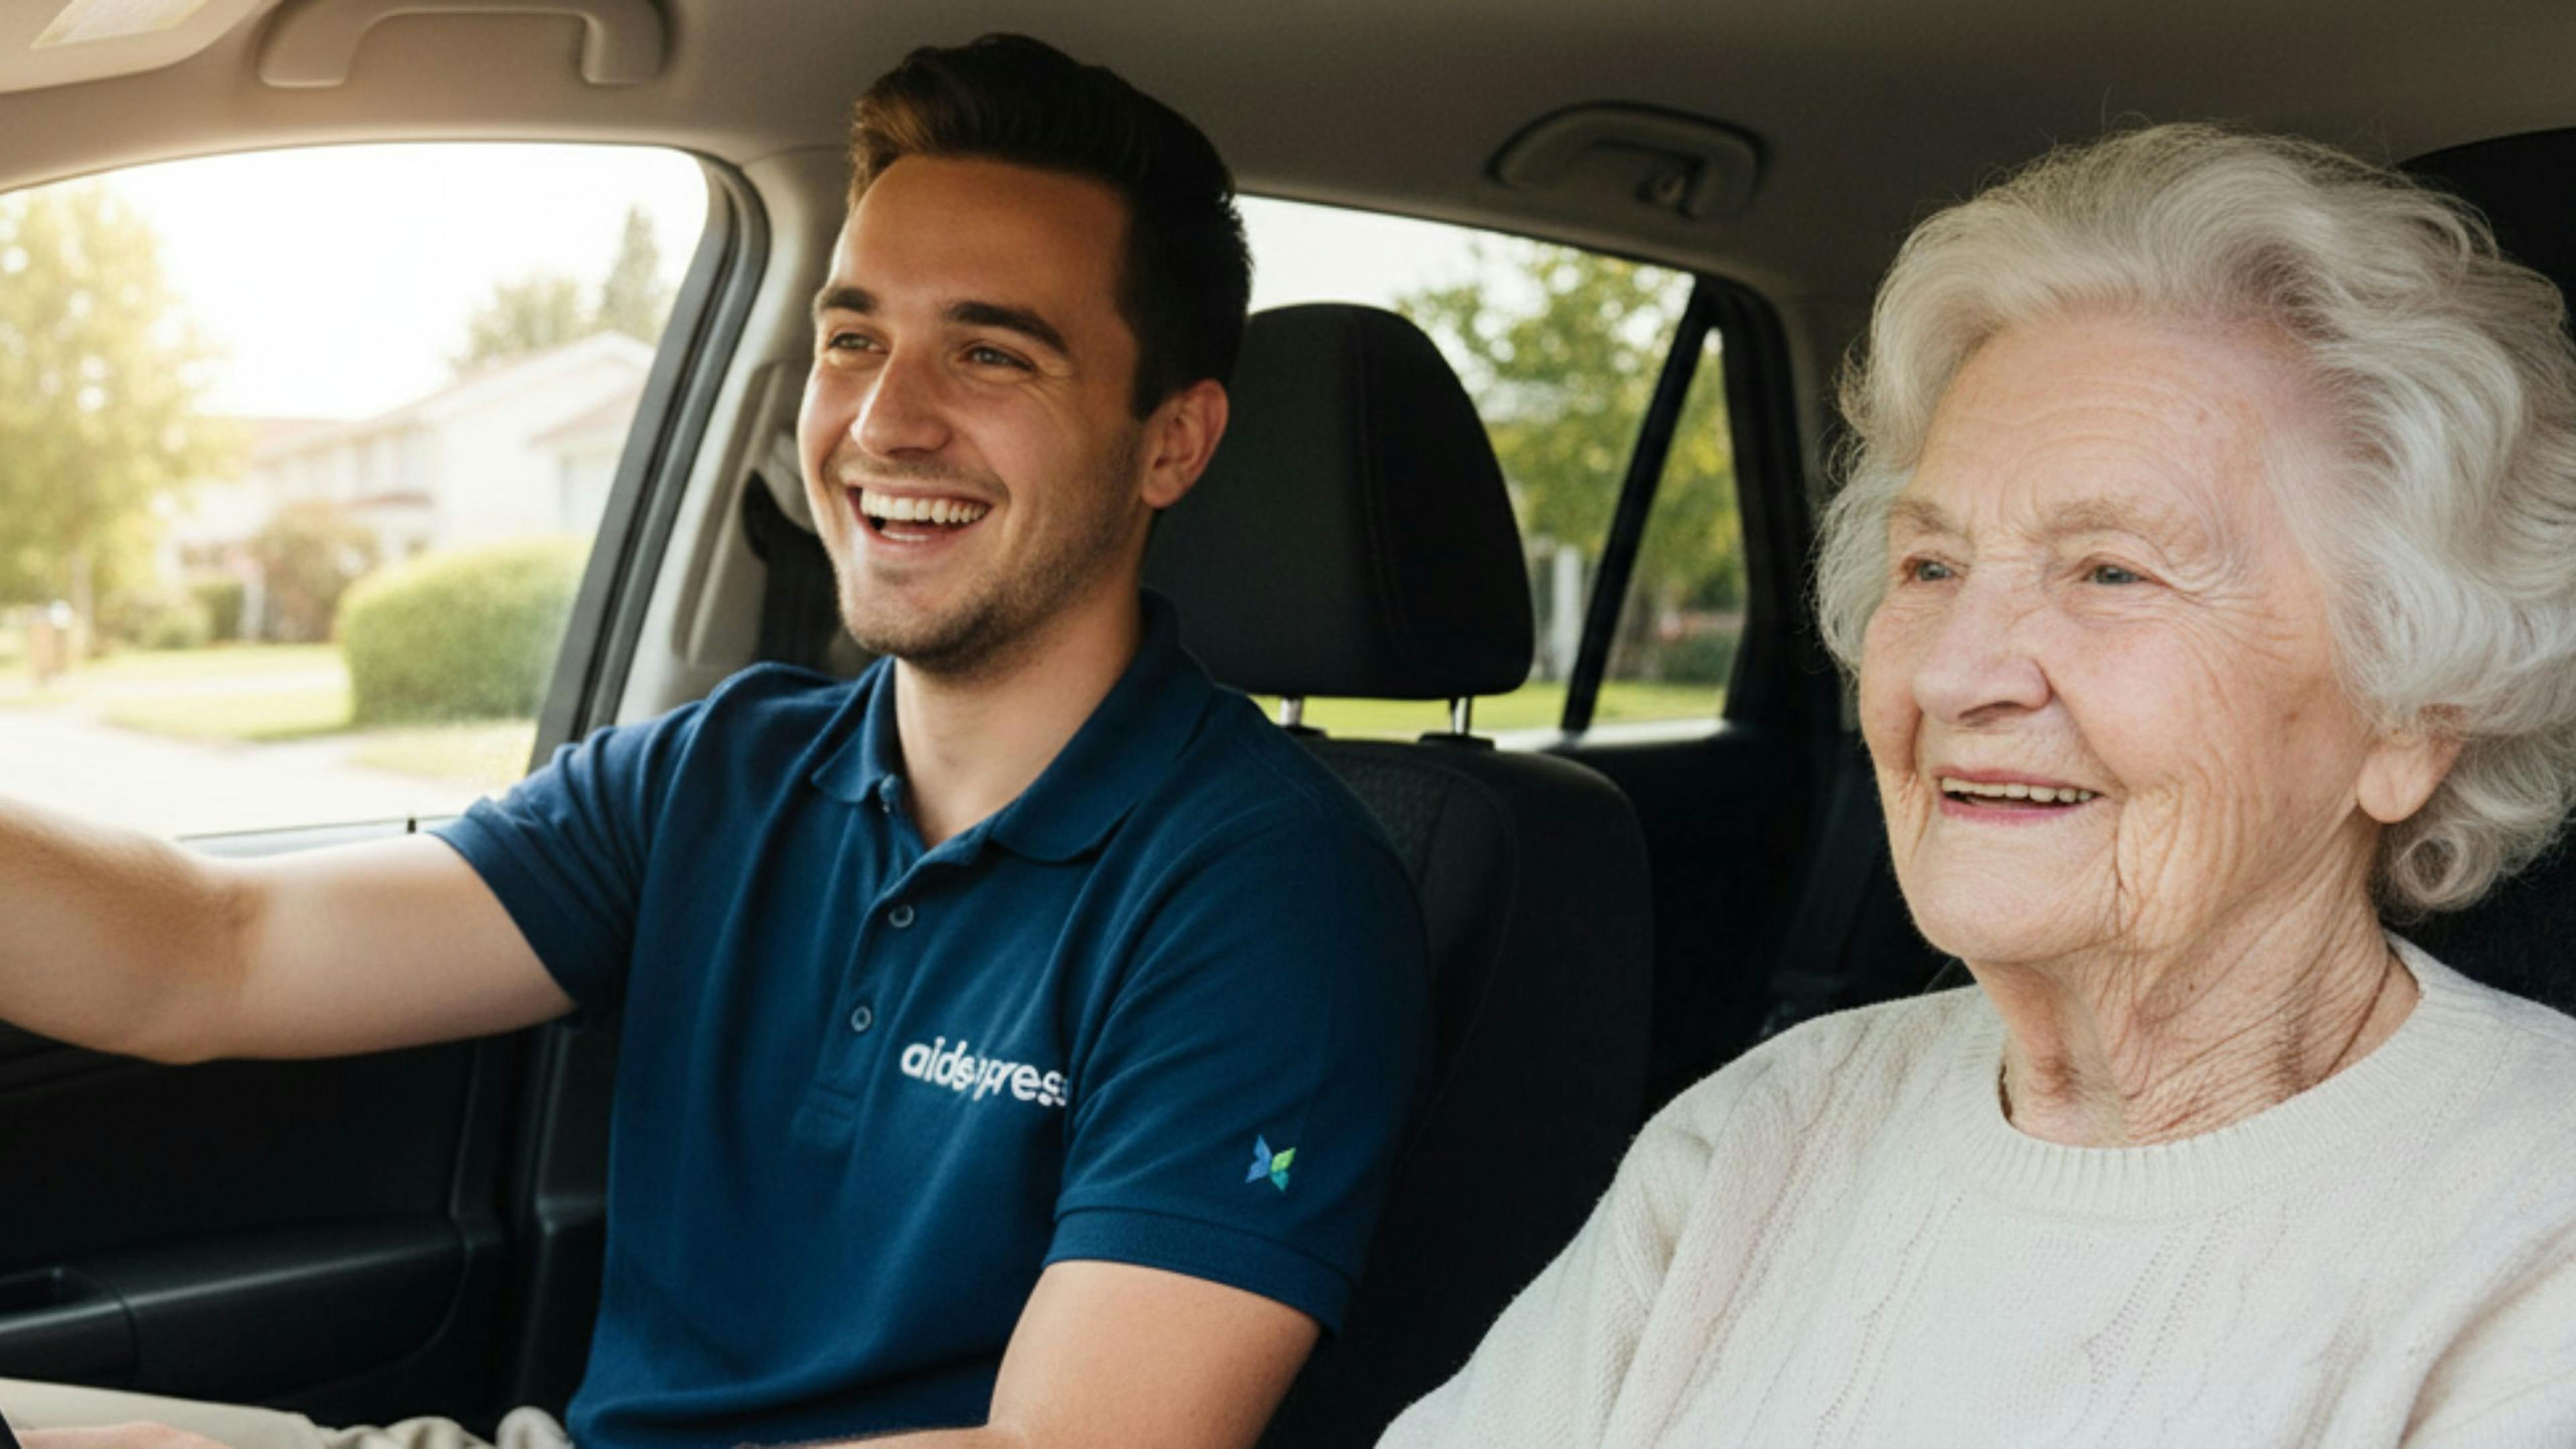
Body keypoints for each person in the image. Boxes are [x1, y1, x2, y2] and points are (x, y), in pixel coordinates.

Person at [0, 34, 1427, 1449]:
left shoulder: (1263, 895)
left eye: (991, 354)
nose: (884, 420)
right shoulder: (721, 772)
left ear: (1170, 445)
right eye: (855, 339)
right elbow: (216, 948)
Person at [1379, 122, 2576, 1446]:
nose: (1954, 674)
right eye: (1931, 568)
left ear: (2414, 711)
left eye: (2112, 571)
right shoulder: (1761, 1138)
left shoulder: (2534, 1244)